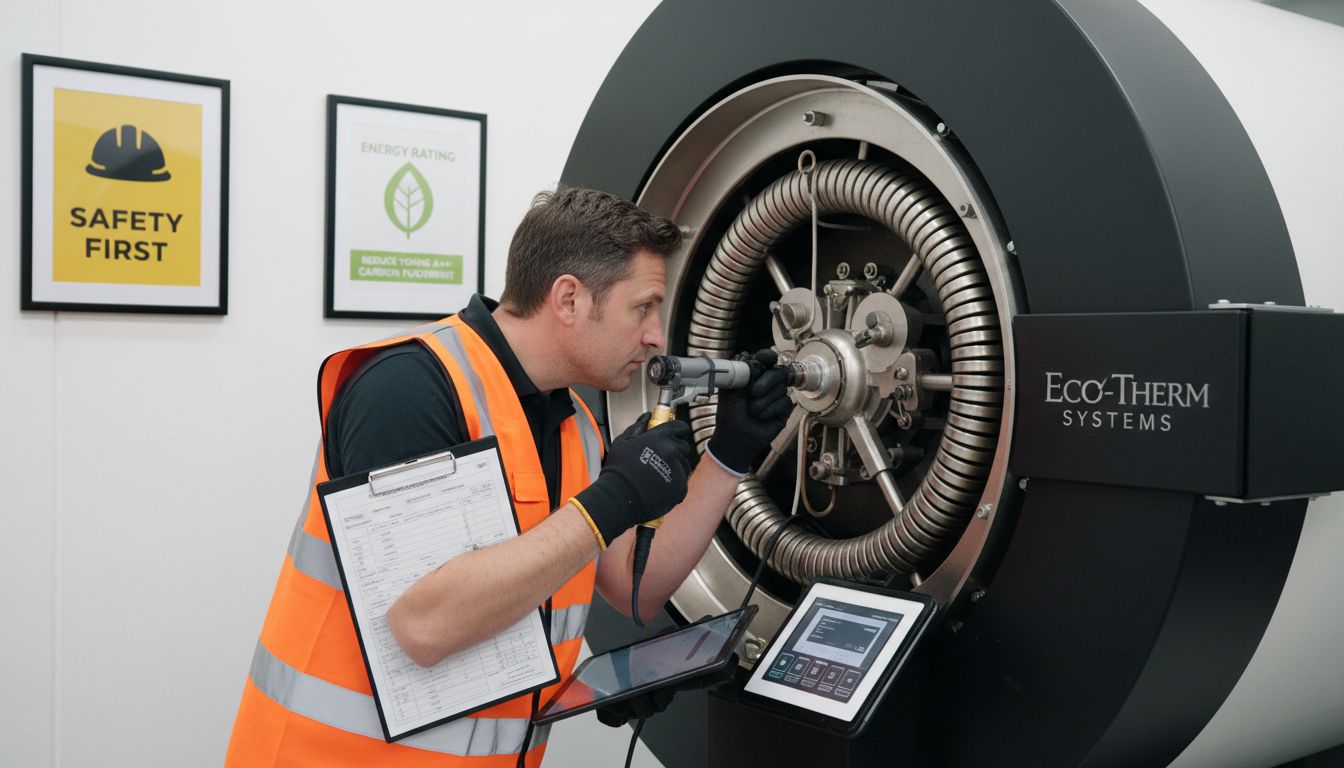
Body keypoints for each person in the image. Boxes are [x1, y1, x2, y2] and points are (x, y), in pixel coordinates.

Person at [226, 187, 791, 767]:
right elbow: (425, 622)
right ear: (568, 299)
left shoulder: (576, 425)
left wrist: (728, 456)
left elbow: (633, 586)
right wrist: (615, 499)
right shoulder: (408, 389)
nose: (654, 336)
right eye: (643, 307)